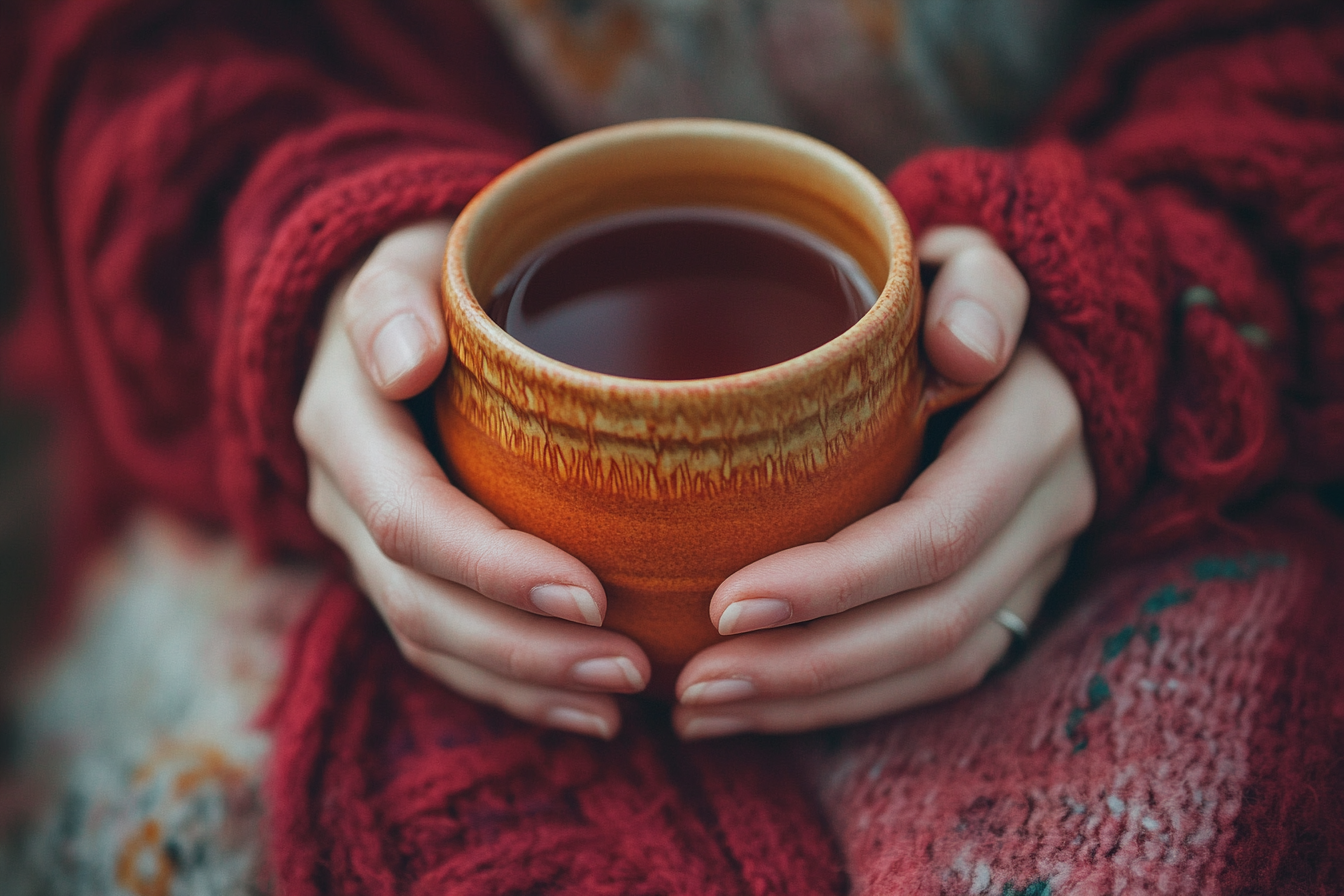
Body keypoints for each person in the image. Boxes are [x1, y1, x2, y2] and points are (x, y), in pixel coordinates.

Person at [2, 0, 1341, 893]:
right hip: (319, 483)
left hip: (1097, 461)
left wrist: (1148, 294)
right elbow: (119, 50)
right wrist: (298, 261)